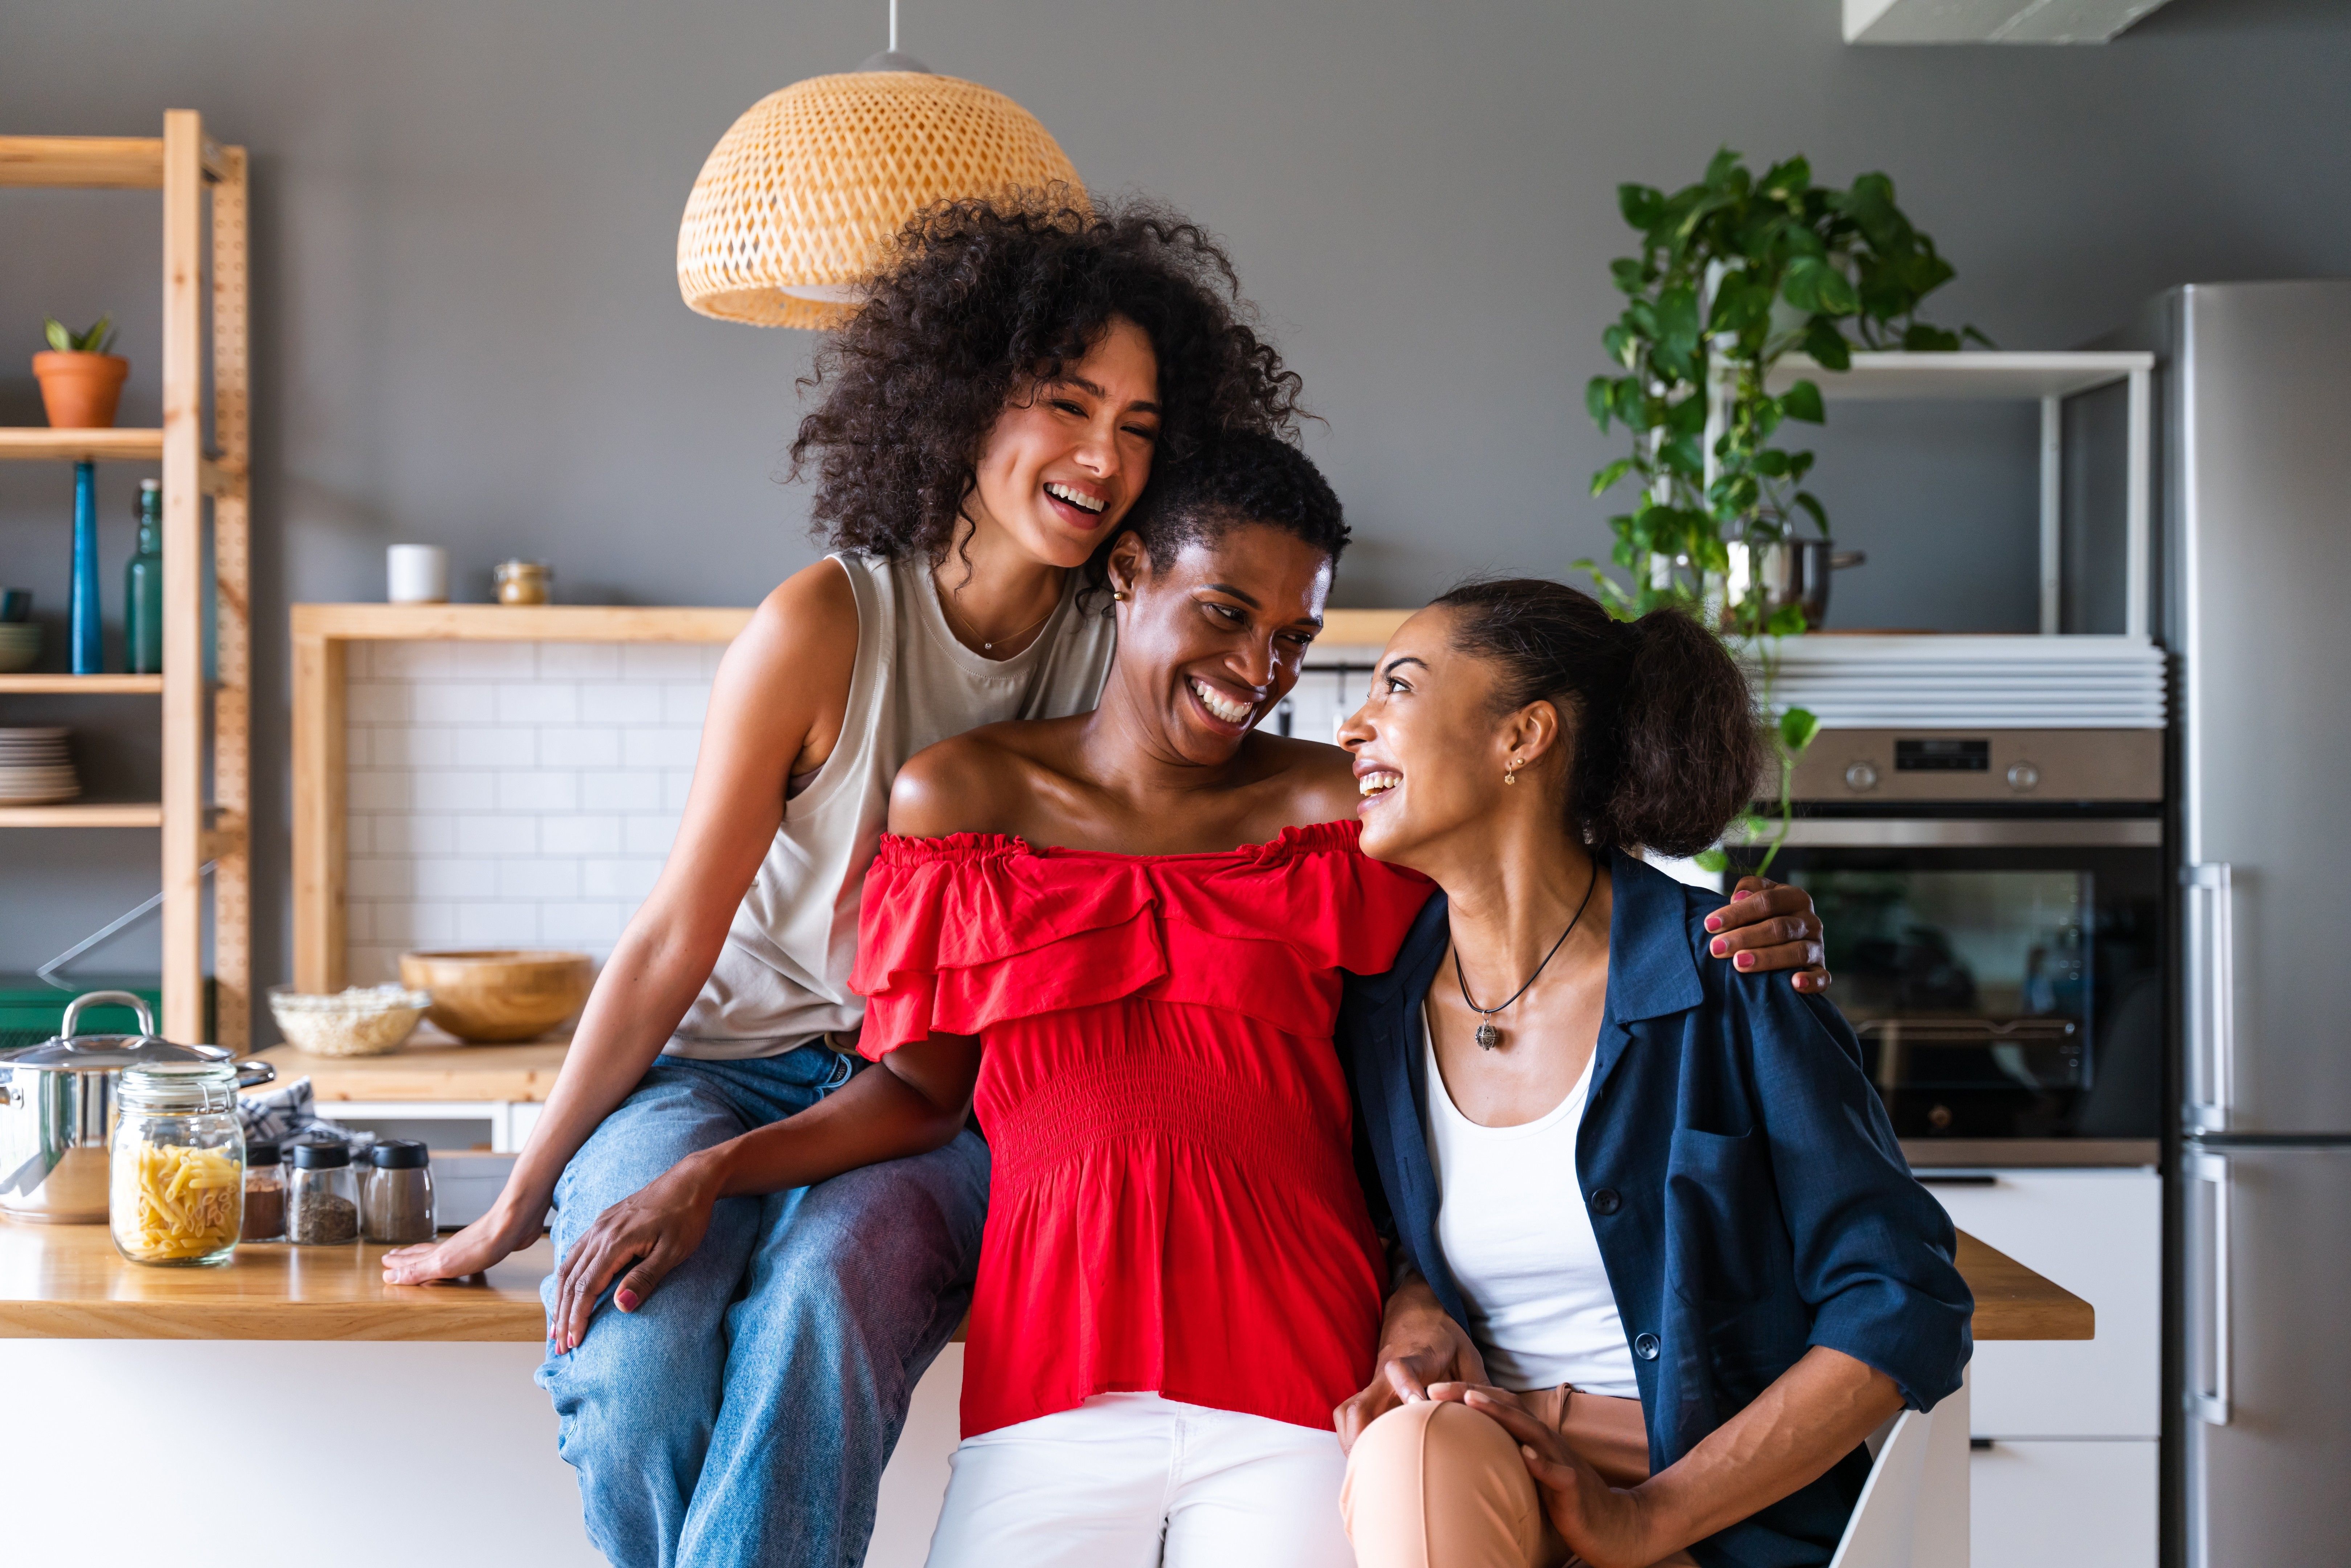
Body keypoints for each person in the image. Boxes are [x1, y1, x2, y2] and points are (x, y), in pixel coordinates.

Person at [543, 438, 1836, 1568]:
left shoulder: (1343, 812)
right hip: (1051, 1369)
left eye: (1294, 639)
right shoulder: (956, 799)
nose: (1258, 666)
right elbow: (922, 1093)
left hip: (1301, 1375)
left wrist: (1722, 911)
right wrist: (712, 1169)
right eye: (1225, 612)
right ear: (1127, 573)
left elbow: (1529, 897)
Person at [380, 197, 1310, 1568]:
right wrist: (528, 1188)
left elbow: (1260, 781)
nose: (1106, 457)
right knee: (637, 1373)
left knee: (822, 1298)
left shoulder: (1128, 647)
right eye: (1069, 403)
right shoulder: (825, 625)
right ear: (969, 397)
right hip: (720, 1068)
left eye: (1143, 428)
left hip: (942, 1102)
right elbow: (669, 941)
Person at [1328, 580, 1975, 1568]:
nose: (1351, 724)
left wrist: (1648, 1517)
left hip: (1706, 1495)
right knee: (1410, 1448)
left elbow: (1904, 1298)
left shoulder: (1731, 981)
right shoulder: (1379, 1005)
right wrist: (1411, 1297)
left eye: (1398, 688)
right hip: (1483, 1460)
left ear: (1523, 736)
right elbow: (1388, 1224)